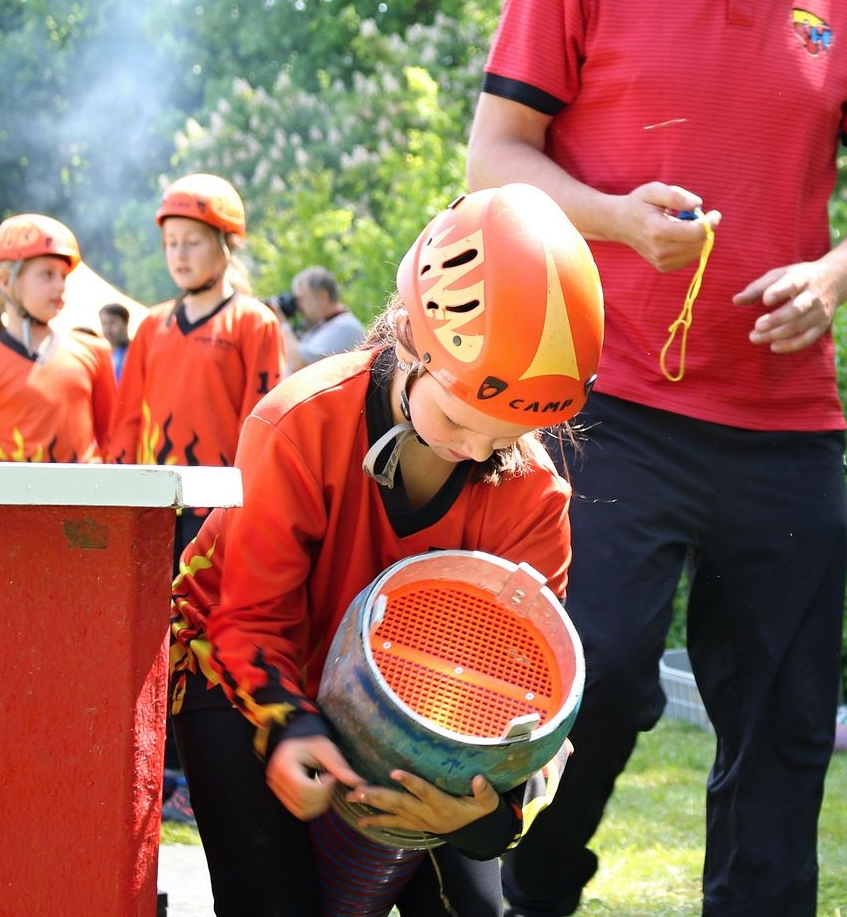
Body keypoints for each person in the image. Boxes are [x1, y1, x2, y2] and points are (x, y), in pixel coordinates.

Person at [466, 0, 847, 913]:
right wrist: (618, 221)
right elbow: (496, 157)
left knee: (784, 722)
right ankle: (528, 886)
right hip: (604, 402)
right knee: (599, 677)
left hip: (787, 424)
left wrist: (834, 277)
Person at [168, 183, 605, 917]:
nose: (477, 453)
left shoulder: (535, 495)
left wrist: (488, 816)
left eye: (506, 437)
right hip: (241, 673)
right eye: (458, 421)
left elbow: (532, 700)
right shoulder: (297, 425)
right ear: (408, 337)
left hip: (423, 699)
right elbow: (250, 617)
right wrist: (292, 725)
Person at [106, 172, 286, 567]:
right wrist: (118, 496)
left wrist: (250, 504)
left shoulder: (254, 322)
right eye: (171, 243)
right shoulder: (152, 325)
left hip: (218, 510)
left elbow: (261, 426)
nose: (179, 254)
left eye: (192, 242)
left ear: (226, 244)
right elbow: (127, 420)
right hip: (152, 505)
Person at [0, 215, 116, 462]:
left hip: (85, 488)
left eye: (63, 276)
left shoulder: (94, 352)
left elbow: (112, 444)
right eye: (47, 274)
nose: (60, 285)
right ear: (6, 281)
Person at [279, 264, 365, 370]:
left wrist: (283, 324)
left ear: (322, 297)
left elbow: (299, 365)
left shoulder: (346, 327)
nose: (298, 306)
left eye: (301, 299)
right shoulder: (327, 324)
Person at [98, 302, 132, 381]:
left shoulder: (135, 351)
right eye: (104, 323)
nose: (107, 329)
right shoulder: (100, 353)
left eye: (112, 322)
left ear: (126, 322)